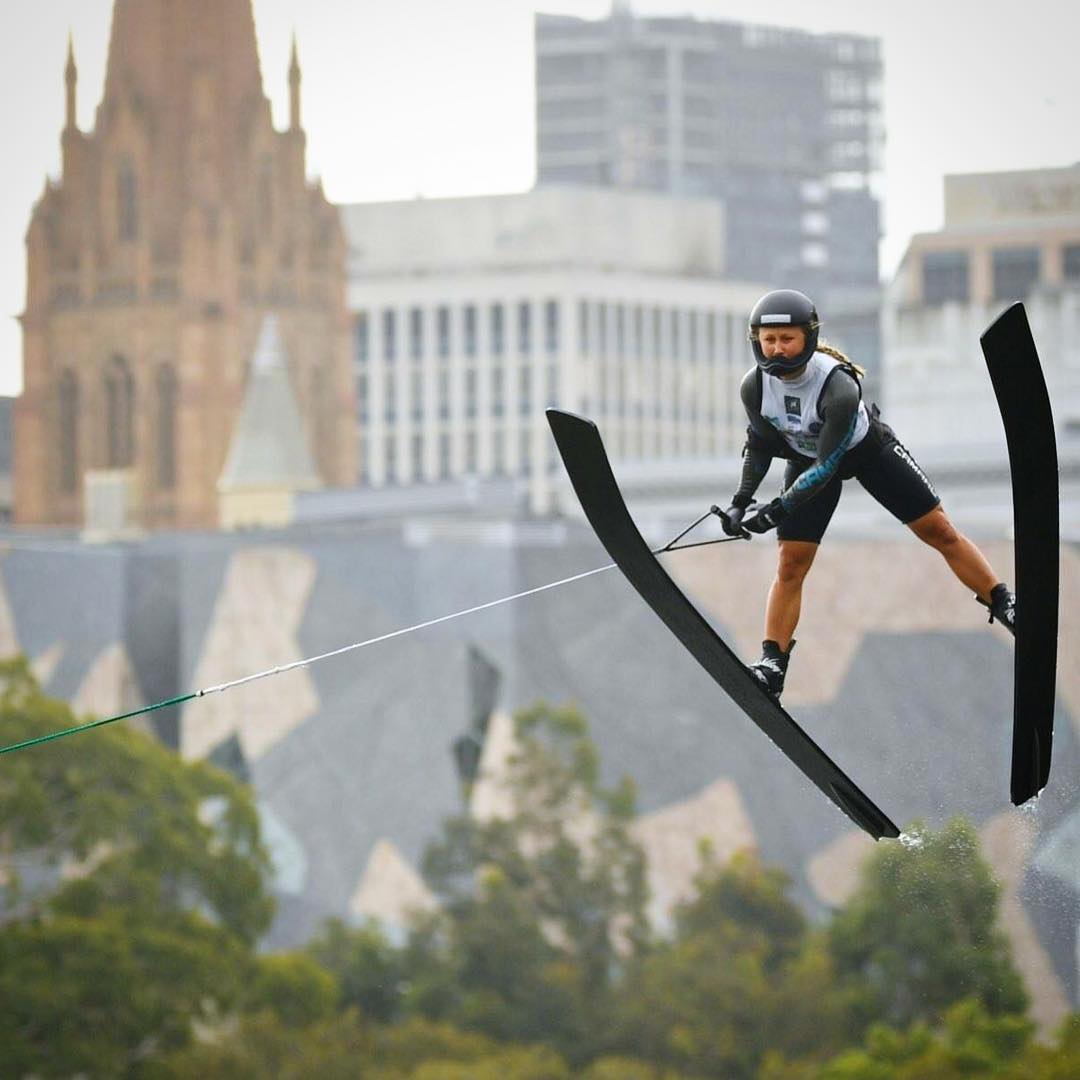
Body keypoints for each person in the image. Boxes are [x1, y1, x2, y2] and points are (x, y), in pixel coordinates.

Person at [720, 288, 1016, 699]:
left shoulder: (838, 387)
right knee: (790, 565)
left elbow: (828, 467)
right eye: (769, 340)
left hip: (866, 453)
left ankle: (1003, 602)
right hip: (807, 462)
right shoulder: (754, 387)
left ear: (808, 336)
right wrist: (739, 502)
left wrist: (778, 509)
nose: (777, 350)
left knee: (939, 531)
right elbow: (761, 445)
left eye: (787, 339)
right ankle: (773, 664)